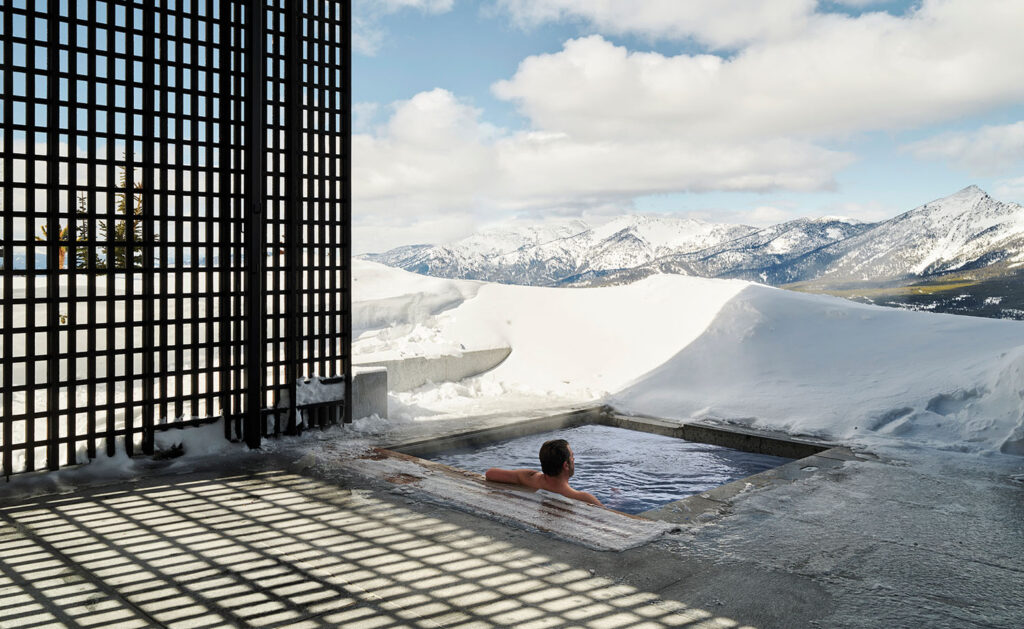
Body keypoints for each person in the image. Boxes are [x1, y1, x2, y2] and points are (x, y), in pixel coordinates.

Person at [485, 439, 603, 507]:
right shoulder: (583, 498)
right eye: (572, 457)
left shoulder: (529, 478)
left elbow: (490, 473)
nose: (574, 459)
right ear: (566, 465)